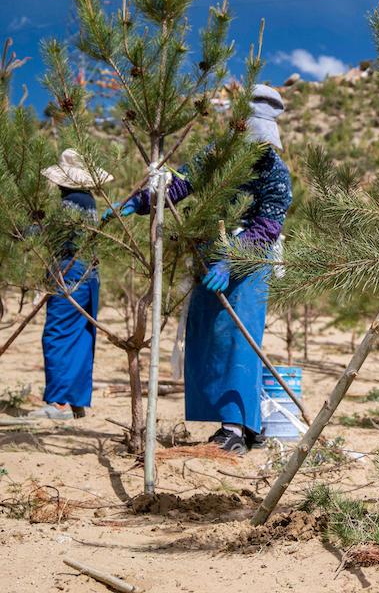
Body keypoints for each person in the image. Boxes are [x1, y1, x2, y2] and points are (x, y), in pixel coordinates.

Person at [108, 84, 292, 453]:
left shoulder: (276, 172)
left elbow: (267, 227)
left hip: (250, 262)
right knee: (209, 337)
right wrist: (141, 201)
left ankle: (235, 428)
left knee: (240, 339)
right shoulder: (215, 155)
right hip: (209, 256)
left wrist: (231, 259)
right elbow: (181, 185)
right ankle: (245, 423)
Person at [27, 149, 110, 420]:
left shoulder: (71, 201)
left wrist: (22, 229)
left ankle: (59, 402)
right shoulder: (89, 200)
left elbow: (54, 232)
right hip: (89, 273)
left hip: (70, 271)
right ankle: (75, 401)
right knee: (80, 335)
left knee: (58, 333)